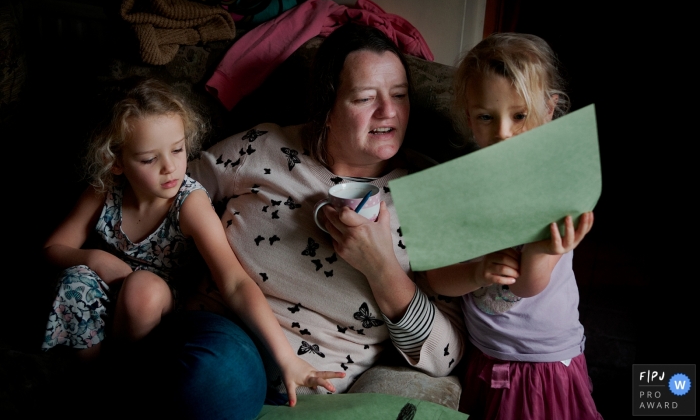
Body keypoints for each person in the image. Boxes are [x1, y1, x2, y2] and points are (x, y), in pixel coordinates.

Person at [175, 22, 466, 411]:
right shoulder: (264, 148)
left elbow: (446, 354)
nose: (389, 111)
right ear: (326, 108)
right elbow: (168, 186)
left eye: (399, 95)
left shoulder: (429, 197)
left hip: (320, 386)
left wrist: (380, 268)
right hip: (225, 339)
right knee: (220, 377)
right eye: (365, 98)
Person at [40, 78, 342, 414]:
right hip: (109, 297)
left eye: (177, 149)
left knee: (143, 288)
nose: (169, 167)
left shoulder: (189, 202)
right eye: (147, 159)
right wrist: (95, 258)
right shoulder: (106, 189)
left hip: (163, 310)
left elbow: (235, 282)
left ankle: (125, 387)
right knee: (75, 280)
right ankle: (93, 383)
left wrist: (287, 359)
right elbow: (53, 248)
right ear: (117, 161)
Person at [425, 33, 601, 420]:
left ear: (550, 111)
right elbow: (432, 278)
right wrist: (475, 271)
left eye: (519, 115)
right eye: (487, 117)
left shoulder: (556, 187)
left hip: (540, 363)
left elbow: (527, 286)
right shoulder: (457, 186)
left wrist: (543, 251)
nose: (503, 132)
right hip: (484, 354)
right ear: (470, 118)